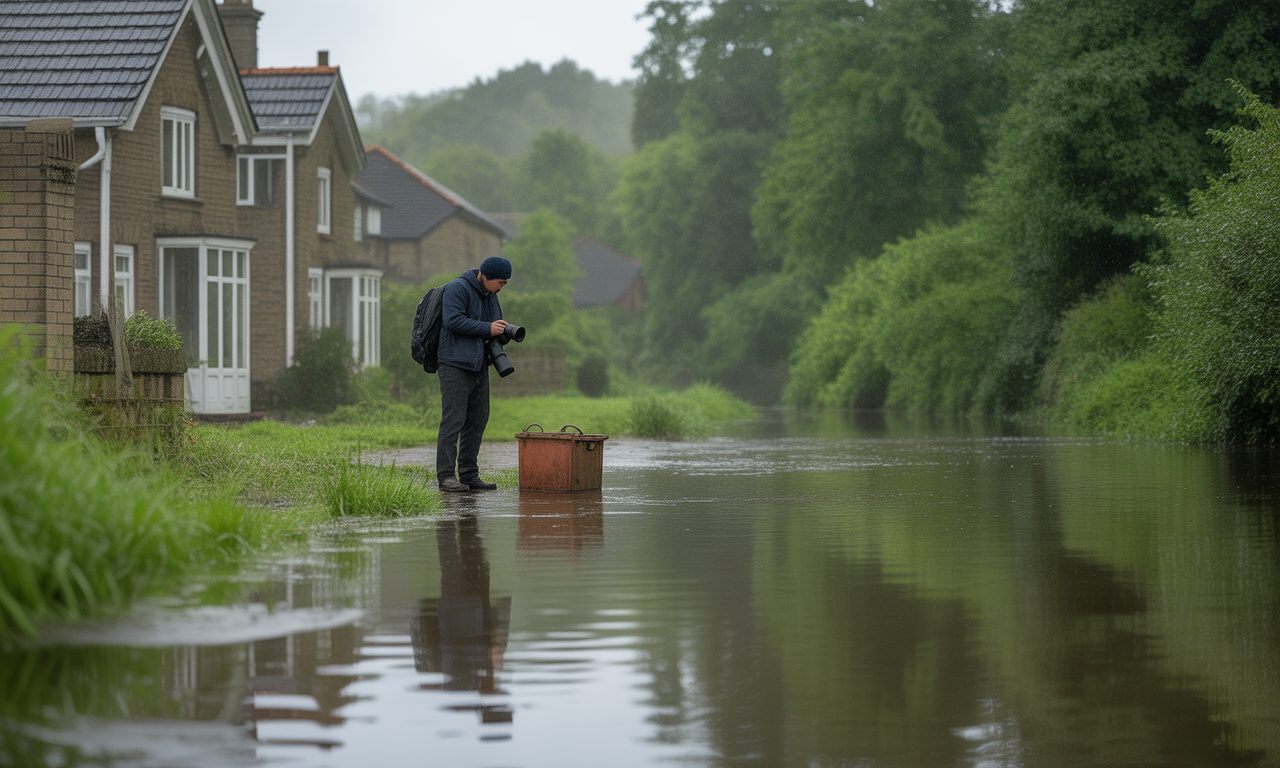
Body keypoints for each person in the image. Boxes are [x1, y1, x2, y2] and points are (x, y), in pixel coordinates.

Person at [435, 255, 512, 492]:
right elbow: (452, 321)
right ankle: (446, 476)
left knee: (478, 420)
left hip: (480, 363)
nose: (502, 287)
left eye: (505, 283)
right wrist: (486, 328)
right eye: (500, 282)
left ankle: (469, 474)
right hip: (454, 363)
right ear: (485, 276)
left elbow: (491, 327)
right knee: (454, 420)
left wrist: (503, 332)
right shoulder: (457, 288)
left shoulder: (491, 296)